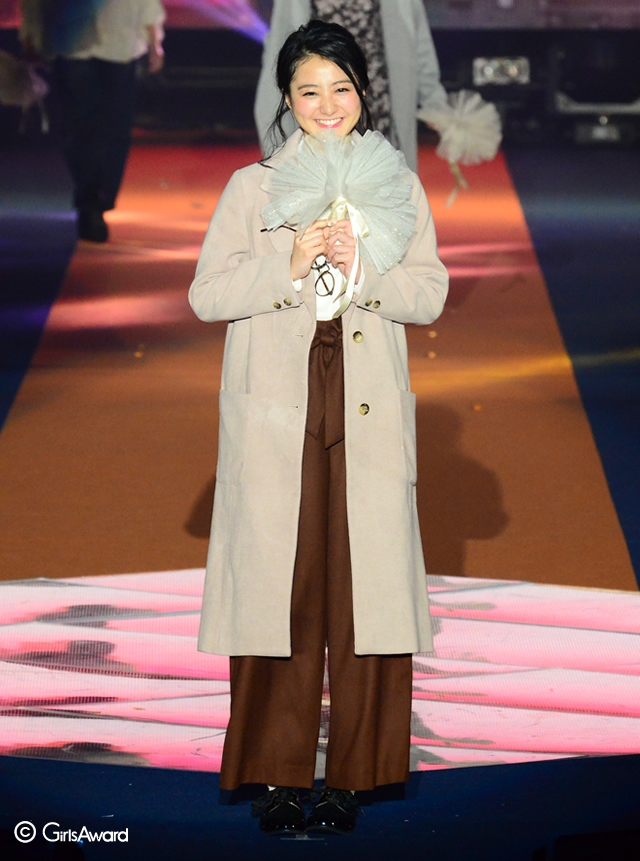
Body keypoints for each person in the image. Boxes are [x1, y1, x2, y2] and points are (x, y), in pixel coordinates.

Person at [190, 20, 448, 835]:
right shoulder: (252, 187)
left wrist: (363, 272)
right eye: (309, 90)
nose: (326, 104)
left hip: (363, 396)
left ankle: (356, 776)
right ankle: (278, 770)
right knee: (282, 586)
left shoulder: (397, 184)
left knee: (366, 593)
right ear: (286, 98)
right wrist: (290, 264)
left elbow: (430, 293)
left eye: (340, 88)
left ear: (362, 93)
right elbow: (207, 293)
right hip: (279, 399)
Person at [19, 0, 165, 242]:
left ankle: (97, 199)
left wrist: (154, 39)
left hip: (114, 39)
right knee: (84, 126)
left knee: (109, 127)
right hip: (78, 40)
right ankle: (91, 201)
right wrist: (31, 34)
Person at [254, 0, 449, 171]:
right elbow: (281, 40)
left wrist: (433, 100)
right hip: (319, 102)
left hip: (379, 101)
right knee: (315, 180)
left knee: (382, 181)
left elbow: (417, 38)